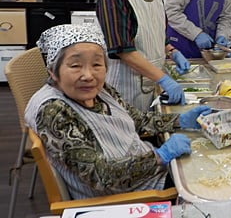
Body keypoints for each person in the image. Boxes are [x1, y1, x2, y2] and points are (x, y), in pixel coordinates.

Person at [24, 24, 211, 199]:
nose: (88, 75)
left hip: (143, 170)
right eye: (75, 66)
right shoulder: (53, 111)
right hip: (126, 196)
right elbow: (101, 176)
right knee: (207, 183)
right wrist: (160, 157)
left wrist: (180, 120)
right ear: (52, 72)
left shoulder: (102, 90)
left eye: (97, 64)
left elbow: (136, 120)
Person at [96, 0, 190, 111]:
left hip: (150, 85)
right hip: (123, 90)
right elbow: (123, 49)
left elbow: (155, 34)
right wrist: (163, 79)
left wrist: (172, 51)